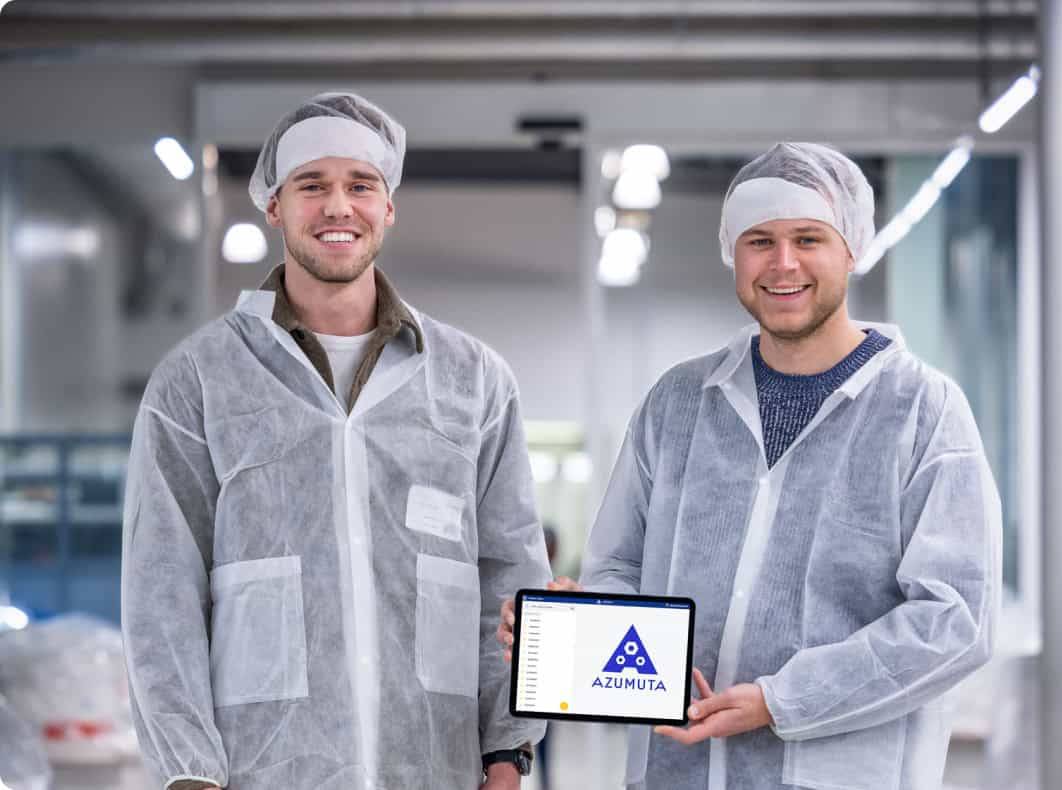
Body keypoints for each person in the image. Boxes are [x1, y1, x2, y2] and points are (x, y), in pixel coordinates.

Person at [499, 142, 1001, 790]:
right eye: (759, 240)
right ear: (732, 254)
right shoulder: (677, 404)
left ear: (852, 247)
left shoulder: (923, 412)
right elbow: (618, 568)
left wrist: (780, 699)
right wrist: (573, 628)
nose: (783, 263)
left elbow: (956, 619)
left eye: (808, 238)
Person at [121, 92, 550, 790]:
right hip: (262, 775)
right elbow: (160, 594)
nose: (337, 207)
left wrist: (506, 753)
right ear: (274, 206)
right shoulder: (197, 381)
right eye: (311, 186)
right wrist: (188, 773)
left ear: (388, 207)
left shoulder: (475, 382)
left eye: (360, 185)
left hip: (433, 771)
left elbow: (508, 577)